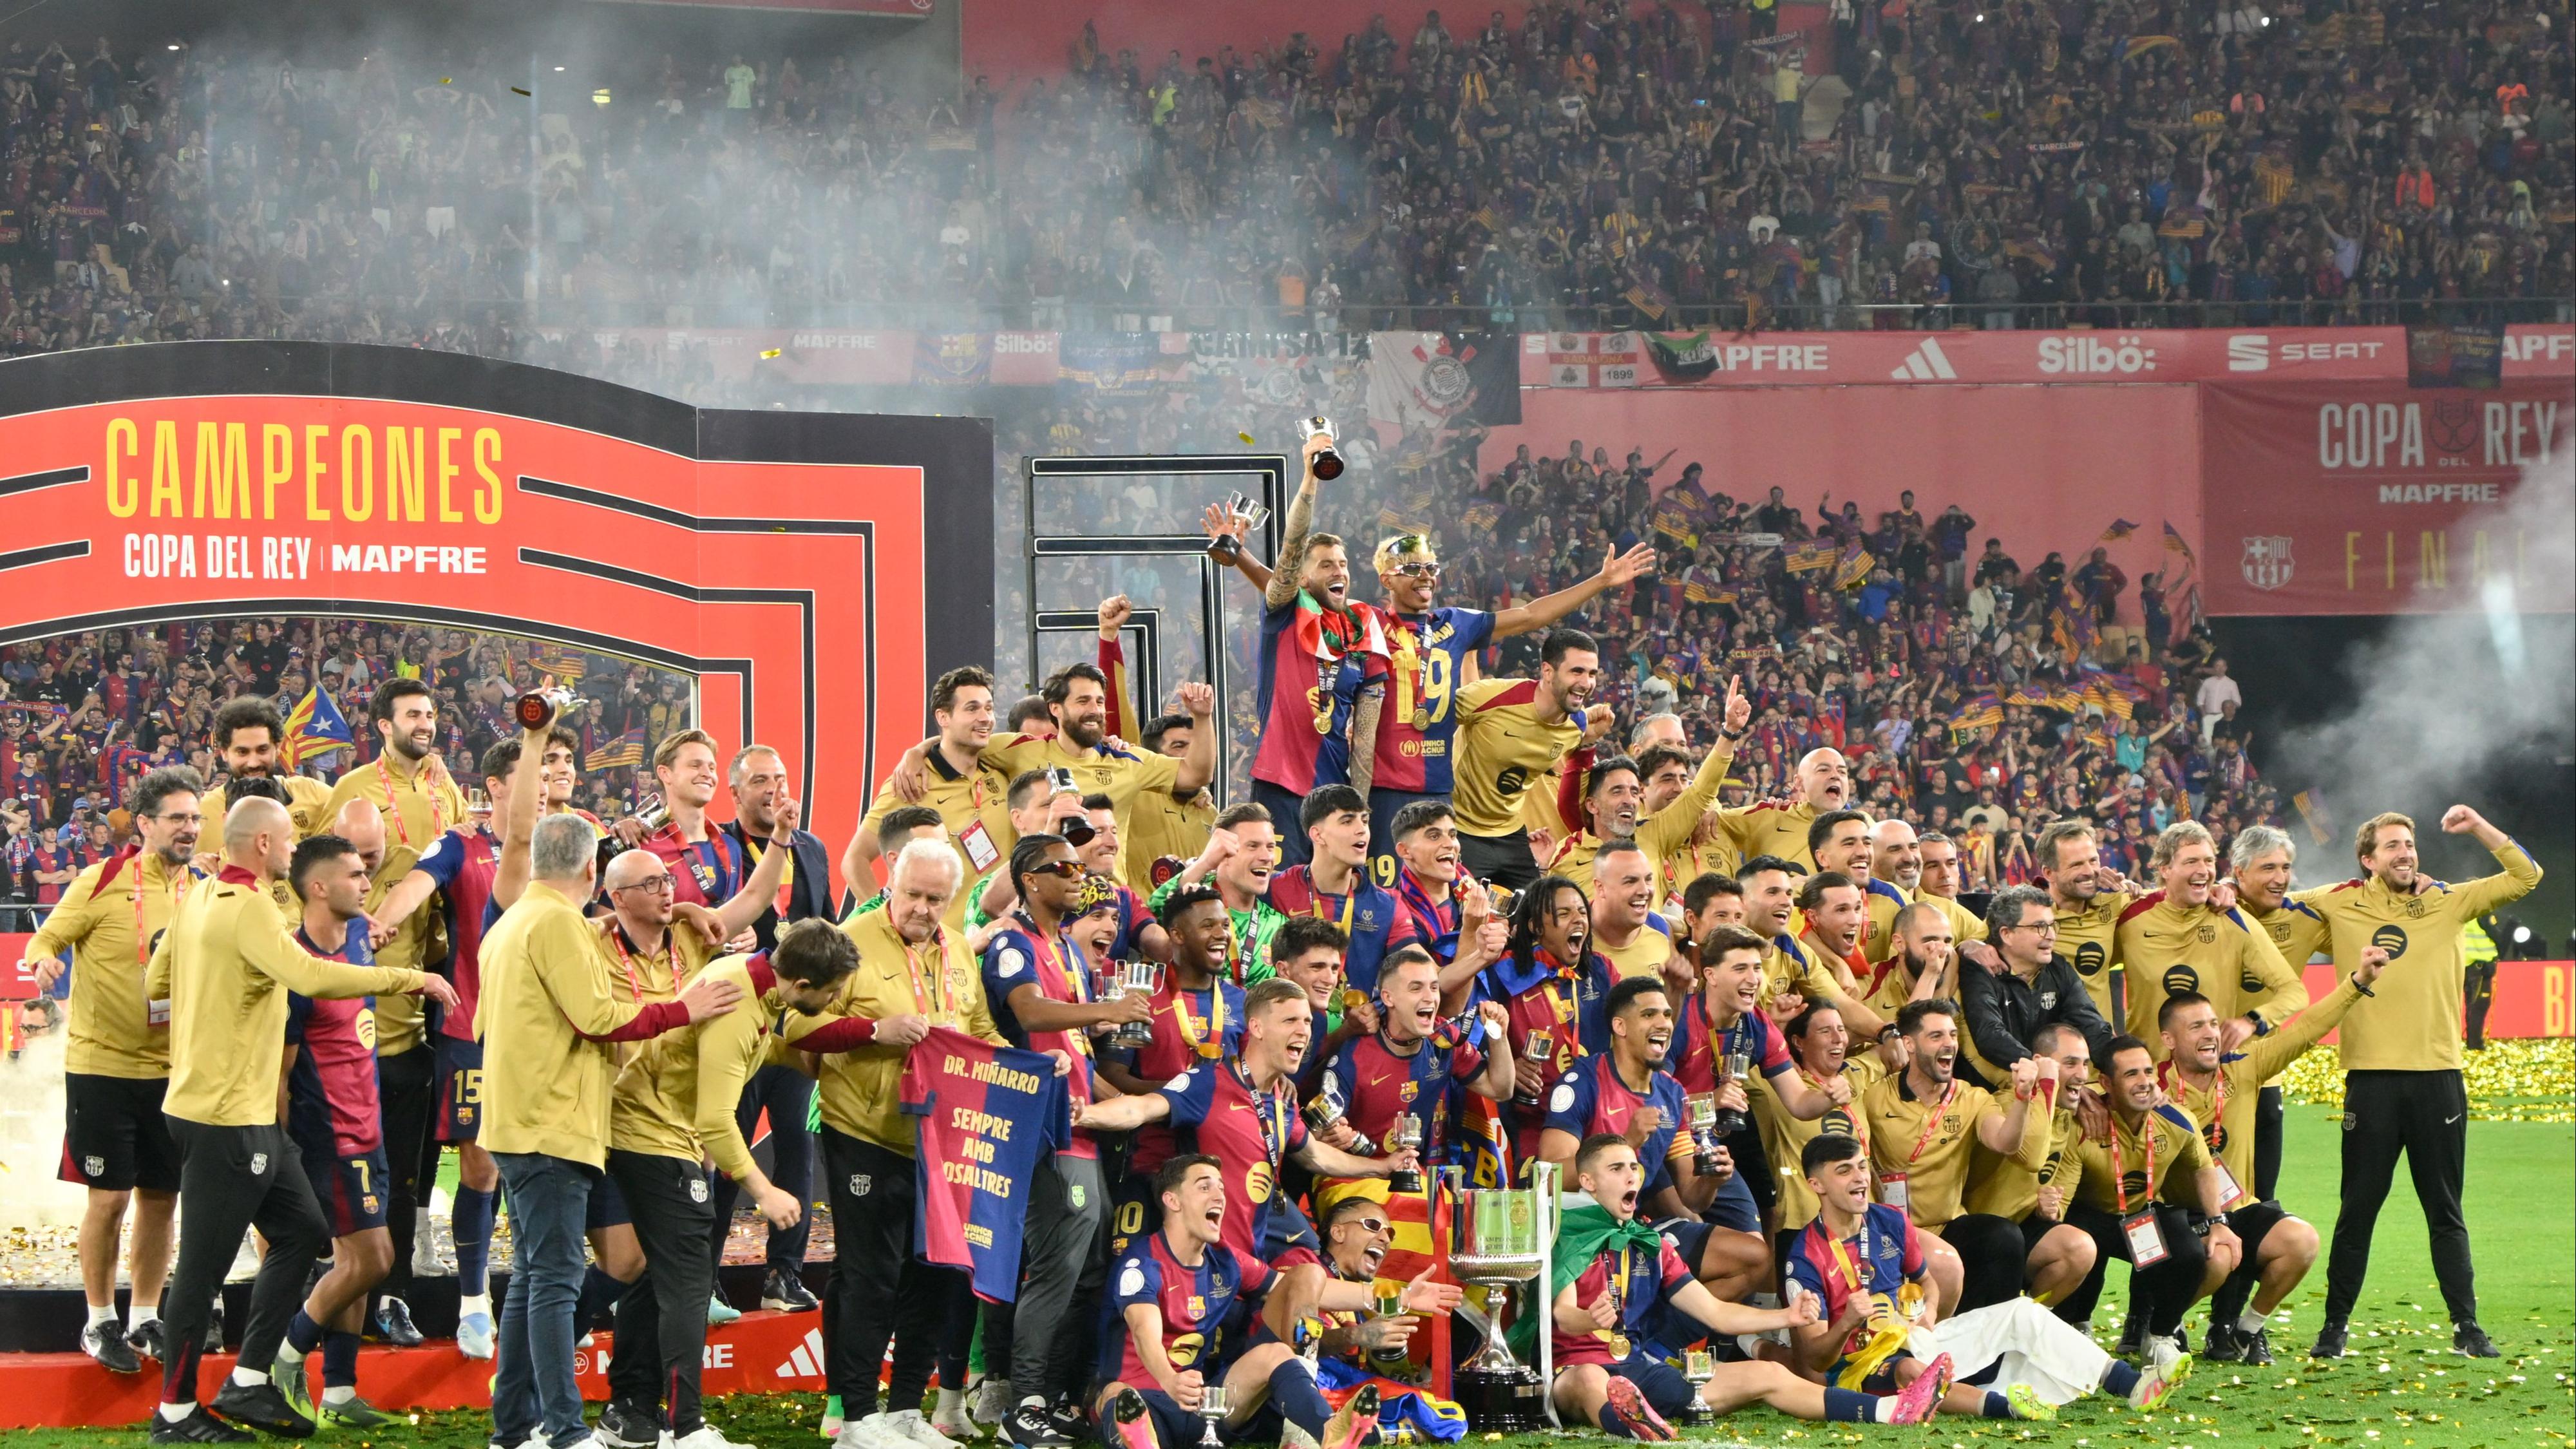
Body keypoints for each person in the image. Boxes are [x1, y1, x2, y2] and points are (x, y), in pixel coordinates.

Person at [143, 797, 457, 1444]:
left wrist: (223, 991)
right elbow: (309, 977)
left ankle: (250, 1379)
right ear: (262, 844)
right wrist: (409, 979)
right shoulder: (252, 907)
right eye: (288, 839)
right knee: (202, 1268)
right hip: (226, 1114)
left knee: (302, 1232)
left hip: (230, 1108)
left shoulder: (198, 897)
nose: (294, 848)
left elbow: (155, 983)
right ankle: (174, 1413)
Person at [480, 813, 743, 1449]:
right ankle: (564, 1432)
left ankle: (512, 1430)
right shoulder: (558, 925)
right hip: (554, 1124)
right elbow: (598, 1018)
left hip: (517, 1120)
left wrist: (680, 913)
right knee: (555, 1280)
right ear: (590, 870)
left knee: (533, 1279)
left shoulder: (511, 922)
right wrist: (683, 1009)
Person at [599, 920, 887, 1449]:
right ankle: (686, 1428)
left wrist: (797, 1058)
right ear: (802, 984)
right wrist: (764, 1190)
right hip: (653, 1133)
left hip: (652, 1129)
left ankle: (631, 1411)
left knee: (656, 1274)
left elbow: (751, 1046)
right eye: (831, 992)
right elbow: (715, 1119)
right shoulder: (739, 1004)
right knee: (688, 1279)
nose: (835, 1001)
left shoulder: (754, 982)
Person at [2301, 806, 2539, 1361]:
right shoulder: (2339, 901)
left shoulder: (2449, 899)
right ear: (2368, 860)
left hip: (2438, 1079)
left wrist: (2478, 826)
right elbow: (2267, 901)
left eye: (2408, 844)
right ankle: (2335, 1327)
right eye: (2391, 846)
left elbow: (2526, 876)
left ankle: (2467, 1326)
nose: (2405, 853)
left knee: (2445, 1210)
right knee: (2357, 1210)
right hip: (2372, 1081)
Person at [1531, 1133, 1930, 1435]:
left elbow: (1716, 1313)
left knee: (1768, 1374)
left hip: (1637, 1371)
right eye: (1616, 1169)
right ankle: (1636, 1425)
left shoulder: (1653, 1245)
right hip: (1575, 1371)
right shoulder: (1564, 1237)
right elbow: (1564, 1316)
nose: (1631, 1175)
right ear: (1588, 1181)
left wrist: (1786, 1316)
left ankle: (1888, 1411)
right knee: (1591, 1380)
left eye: (1634, 1167)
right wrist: (1590, 1319)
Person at [819, 840, 1007, 1449]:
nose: (923, 909)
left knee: (935, 1275)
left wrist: (1023, 1064)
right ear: (890, 885)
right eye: (913, 895)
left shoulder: (958, 948)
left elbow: (980, 1028)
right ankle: (856, 1416)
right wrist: (875, 1030)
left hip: (941, 1138)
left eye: (936, 899)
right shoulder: (848, 942)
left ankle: (904, 1410)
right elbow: (797, 1023)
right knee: (870, 1277)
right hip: (865, 1132)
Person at [1790, 1134, 2188, 1421]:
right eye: (1844, 1171)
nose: (1860, 1178)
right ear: (1816, 1184)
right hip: (1862, 1367)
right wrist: (1847, 1322)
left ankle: (2132, 1384)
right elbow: (1815, 1358)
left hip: (1914, 1338)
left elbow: (1927, 1282)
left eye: (1862, 1166)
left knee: (2020, 1311)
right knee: (1912, 1373)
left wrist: (1929, 1312)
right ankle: (2007, 1407)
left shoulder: (1889, 1220)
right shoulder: (1805, 1255)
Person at [1343, 529, 1654, 882]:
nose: (1426, 576)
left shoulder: (1454, 624)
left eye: (1431, 568)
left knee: (1441, 895)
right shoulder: (1367, 621)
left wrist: (1600, 581)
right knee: (1384, 892)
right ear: (1386, 579)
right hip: (1384, 787)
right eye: (1413, 569)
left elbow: (1530, 615)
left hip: (1439, 792)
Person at [979, 834, 1155, 1448]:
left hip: (1081, 1128)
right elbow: (1030, 1014)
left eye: (1082, 867)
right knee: (1056, 1269)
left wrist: (1128, 1103)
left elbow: (1076, 1048)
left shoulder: (1066, 952)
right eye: (1064, 868)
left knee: (1088, 1270)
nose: (1079, 876)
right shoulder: (1014, 943)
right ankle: (1021, 1405)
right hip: (1043, 1130)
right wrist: (1107, 1011)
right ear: (1030, 879)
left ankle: (1052, 1396)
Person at [24, 765, 202, 1374]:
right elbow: (45, 940)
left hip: (174, 1070)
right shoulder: (100, 880)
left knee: (162, 1197)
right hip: (102, 1067)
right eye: (177, 818)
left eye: (195, 818)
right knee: (109, 1198)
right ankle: (99, 1319)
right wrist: (43, 962)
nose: (190, 828)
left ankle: (145, 1316)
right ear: (145, 824)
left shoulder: (204, 887)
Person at [1094, 1155, 1448, 1449]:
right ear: (1172, 1201)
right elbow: (1144, 1334)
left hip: (1202, 1404)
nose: (1219, 1196)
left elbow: (1310, 1289)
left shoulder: (1225, 1259)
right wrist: (1171, 1382)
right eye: (1205, 1187)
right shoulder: (1143, 1263)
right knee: (1115, 1393)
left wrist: (1402, 1296)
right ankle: (1143, 1441)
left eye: (1221, 1187)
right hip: (1145, 1400)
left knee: (1290, 1318)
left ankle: (1326, 1432)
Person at [1077, 978, 1417, 1276]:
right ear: (1256, 1028)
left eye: (1307, 1021)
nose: (1304, 1031)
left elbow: (1314, 1155)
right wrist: (1083, 1114)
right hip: (1204, 1259)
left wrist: (1382, 1167)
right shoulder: (1209, 1082)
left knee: (1309, 1277)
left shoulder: (1283, 1100)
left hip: (1248, 1257)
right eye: (1290, 1020)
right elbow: (1139, 1108)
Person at [2157, 951, 2383, 1365]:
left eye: (2213, 1024)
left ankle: (2246, 1330)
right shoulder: (2152, 1087)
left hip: (2238, 1207)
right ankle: (2164, 1325)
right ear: (2169, 1040)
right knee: (2218, 1258)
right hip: (2180, 1214)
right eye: (2196, 1027)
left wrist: (2357, 983)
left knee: (2301, 1241)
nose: (2211, 1034)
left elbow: (2308, 1030)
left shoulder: (2245, 1067)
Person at [322, 679, 468, 1284]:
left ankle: (418, 1228)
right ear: (384, 725)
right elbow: (322, 876)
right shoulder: (354, 790)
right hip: (375, 973)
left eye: (430, 713)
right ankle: (345, 1254)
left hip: (437, 961)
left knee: (428, 1117)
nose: (425, 724)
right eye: (412, 715)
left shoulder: (445, 785)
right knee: (360, 1128)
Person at [1208, 430, 1387, 870]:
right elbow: (1292, 546)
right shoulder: (1285, 613)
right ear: (1304, 579)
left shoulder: (1364, 628)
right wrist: (1311, 477)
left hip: (1334, 791)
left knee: (1333, 895)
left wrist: (1359, 809)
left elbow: (1366, 737)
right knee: (1279, 890)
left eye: (1342, 564)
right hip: (1280, 785)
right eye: (1326, 565)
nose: (1338, 571)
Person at [271, 834, 402, 1428]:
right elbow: (280, 1074)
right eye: (354, 874)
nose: (367, 882)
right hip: (329, 1137)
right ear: (319, 887)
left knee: (355, 1263)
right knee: (372, 1259)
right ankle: (285, 1355)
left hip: (369, 1126)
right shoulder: (296, 968)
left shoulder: (355, 939)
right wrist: (283, 1150)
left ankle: (342, 1392)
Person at [715, 743, 835, 1315]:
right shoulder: (717, 848)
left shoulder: (811, 848)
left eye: (781, 778)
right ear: (735, 792)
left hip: (795, 1026)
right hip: (739, 1021)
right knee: (726, 1147)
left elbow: (826, 925)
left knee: (797, 1147)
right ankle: (706, 1277)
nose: (774, 789)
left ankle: (784, 1273)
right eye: (761, 780)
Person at [2041, 1037, 2242, 1369]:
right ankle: (2076, 1326)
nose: (2145, 1082)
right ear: (2106, 1083)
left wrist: (2218, 1222)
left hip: (2143, 1214)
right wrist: (2050, 1211)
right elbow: (2062, 1200)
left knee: (2191, 1253)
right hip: (2090, 1217)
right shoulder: (2088, 1123)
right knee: (2080, 1243)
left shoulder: (2175, 1119)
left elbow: (2203, 1166)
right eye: (2131, 1074)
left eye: (2148, 1072)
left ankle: (2159, 1335)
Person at [1859, 1001, 2047, 1314]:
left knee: (2003, 1236)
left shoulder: (1972, 1098)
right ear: (1909, 1044)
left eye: (1952, 1035)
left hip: (1948, 1225)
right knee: (1938, 1263)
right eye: (1936, 1036)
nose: (1949, 1044)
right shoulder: (1876, 1095)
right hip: (1891, 1228)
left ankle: (1993, 1334)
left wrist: (2022, 1097)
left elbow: (2005, 1143)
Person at [1101, 886, 1252, 1252]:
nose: (1221, 934)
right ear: (1178, 936)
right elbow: (1111, 1074)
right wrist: (1180, 1097)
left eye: (1225, 924)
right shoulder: (1140, 993)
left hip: (1217, 1171)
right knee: (1132, 1262)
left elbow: (1251, 1075)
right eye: (1208, 926)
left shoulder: (1242, 1002)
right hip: (1149, 1162)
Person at [1315, 946, 1513, 1172]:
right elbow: (1319, 1138)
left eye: (1434, 987)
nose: (1430, 998)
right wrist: (1331, 1134)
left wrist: (1499, 1035)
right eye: (1416, 988)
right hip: (1353, 1176)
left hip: (1412, 1174)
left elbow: (1500, 1090)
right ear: (1388, 997)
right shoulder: (1355, 1054)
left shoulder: (1445, 1038)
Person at [2112, 822, 2306, 1051]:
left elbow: (2294, 992)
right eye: (2192, 861)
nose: (2204, 870)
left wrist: (2252, 1021)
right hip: (2147, 1070)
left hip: (2211, 1070)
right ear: (2165, 869)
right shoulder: (2131, 915)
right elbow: (2089, 973)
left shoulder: (2232, 918)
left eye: (2209, 861)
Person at [851, 667, 1015, 931]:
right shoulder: (911, 782)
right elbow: (855, 861)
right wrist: (889, 926)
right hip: (943, 945)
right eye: (972, 709)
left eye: (989, 708)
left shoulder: (1003, 772)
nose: (985, 718)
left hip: (1002, 939)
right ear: (943, 717)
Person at [1547, 678, 1746, 892]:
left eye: (1681, 744)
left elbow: (1702, 792)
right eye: (1617, 791)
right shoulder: (1573, 852)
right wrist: (1587, 744)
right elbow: (1570, 803)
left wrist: (1730, 733)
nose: (1628, 800)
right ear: (1592, 805)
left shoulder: (1654, 832)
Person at [1451, 629, 1607, 889]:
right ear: (1547, 671)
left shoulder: (1576, 725)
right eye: (1577, 671)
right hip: (1461, 829)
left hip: (1510, 832)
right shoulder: (1492, 697)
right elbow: (1429, 724)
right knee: (1461, 909)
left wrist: (1589, 739)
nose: (1586, 683)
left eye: (1592, 674)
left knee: (1535, 908)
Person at [2223, 825, 2329, 1202]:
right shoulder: (2212, 910)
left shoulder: (2304, 919)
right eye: (2268, 868)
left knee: (2264, 1196)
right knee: (2205, 1199)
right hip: (2206, 1074)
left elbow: (2361, 925)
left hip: (2265, 1073)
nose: (2280, 878)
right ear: (2239, 872)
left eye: (2285, 868)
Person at [1482, 875, 1616, 1161]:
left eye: (1582, 912)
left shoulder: (1601, 970)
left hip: (1598, 1117)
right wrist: (1506, 1065)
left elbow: (1632, 1028)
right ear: (1536, 927)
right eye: (1564, 914)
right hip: (1531, 1124)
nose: (1578, 920)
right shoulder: (1505, 973)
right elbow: (1471, 1040)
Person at [1267, 784, 1421, 996]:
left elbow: (1421, 973)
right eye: (1347, 821)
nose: (1362, 830)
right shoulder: (1275, 888)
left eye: (1364, 820)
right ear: (1317, 835)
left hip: (1360, 1016)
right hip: (1293, 1014)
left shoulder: (1388, 905)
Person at [1958, 886, 2117, 1088]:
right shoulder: (1979, 971)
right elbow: (1990, 1036)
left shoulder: (2058, 968)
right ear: (2007, 934)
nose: (2051, 936)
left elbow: (2092, 1026)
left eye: (2052, 926)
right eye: (2039, 927)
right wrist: (2048, 1073)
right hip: (1989, 1093)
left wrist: (2121, 1065)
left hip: (2047, 1083)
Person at [1148, 804, 1285, 983]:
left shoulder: (1278, 926)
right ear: (1222, 852)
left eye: (1270, 847)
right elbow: (1152, 910)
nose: (1267, 857)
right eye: (1253, 846)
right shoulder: (1191, 907)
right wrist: (1205, 862)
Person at [2032, 820, 2137, 1021]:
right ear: (2048, 873)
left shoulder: (2115, 903)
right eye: (2076, 864)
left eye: (2093, 861)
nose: (2090, 871)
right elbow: (1976, 944)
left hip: (2102, 1038)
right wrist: (1973, 946)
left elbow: (2170, 900)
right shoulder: (2027, 916)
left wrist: (2133, 889)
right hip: (2049, 1038)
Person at [198, 698, 333, 838]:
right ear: (224, 753)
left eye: (262, 750)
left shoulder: (314, 794)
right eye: (242, 752)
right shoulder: (203, 811)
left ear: (278, 748)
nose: (253, 763)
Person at [1710, 748, 1853, 872]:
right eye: (1823, 770)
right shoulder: (1768, 816)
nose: (1836, 776)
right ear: (1799, 783)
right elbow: (1709, 815)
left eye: (1842, 772)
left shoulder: (1862, 827)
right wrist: (1711, 809)